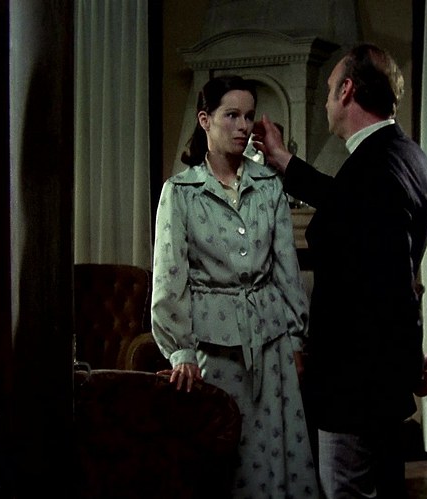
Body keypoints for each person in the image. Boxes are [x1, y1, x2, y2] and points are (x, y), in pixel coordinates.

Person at [251, 43, 427, 498]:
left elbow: (395, 285)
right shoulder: (404, 157)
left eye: (330, 89)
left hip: (353, 389)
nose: (324, 102)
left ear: (347, 90)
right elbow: (351, 205)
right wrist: (284, 161)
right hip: (379, 385)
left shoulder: (373, 170)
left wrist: (408, 361)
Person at [150, 74, 320, 498]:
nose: (243, 126)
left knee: (276, 461)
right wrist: (180, 350)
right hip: (213, 348)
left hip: (272, 344)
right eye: (231, 115)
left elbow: (286, 268)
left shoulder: (268, 186)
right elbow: (169, 277)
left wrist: (295, 338)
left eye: (248, 116)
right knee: (224, 461)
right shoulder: (180, 192)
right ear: (205, 120)